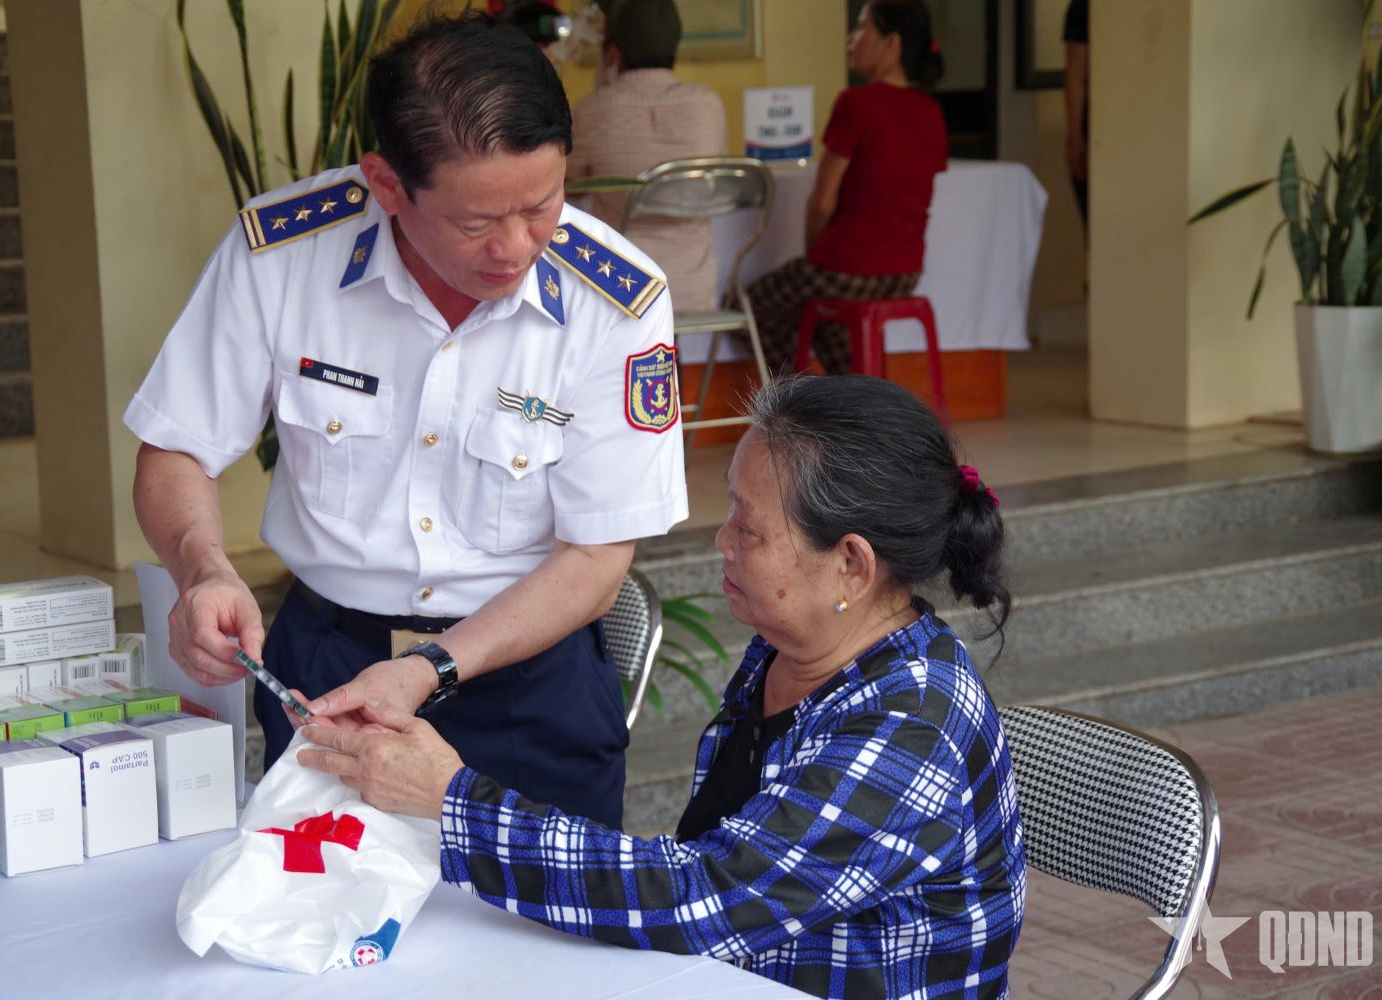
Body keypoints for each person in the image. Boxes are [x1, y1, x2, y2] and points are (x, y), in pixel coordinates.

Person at [124, 12, 688, 830]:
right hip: (329, 674)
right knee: (317, 920)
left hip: (525, 687)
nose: (517, 245)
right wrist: (201, 565)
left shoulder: (615, 299)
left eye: (542, 204)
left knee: (540, 953)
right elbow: (176, 445)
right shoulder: (284, 256)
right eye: (475, 222)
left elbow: (598, 554)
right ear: (386, 183)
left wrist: (432, 668)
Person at [297, 374, 1025, 999]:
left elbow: (705, 897)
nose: (723, 540)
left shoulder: (912, 723)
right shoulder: (800, 652)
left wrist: (452, 800)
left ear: (852, 567)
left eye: (750, 526)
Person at [746, 0, 947, 376]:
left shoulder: (857, 104)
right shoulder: (930, 112)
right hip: (905, 271)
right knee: (820, 311)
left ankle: (801, 404)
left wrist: (816, 256)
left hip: (848, 267)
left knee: (750, 306)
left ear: (892, 44)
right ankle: (859, 399)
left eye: (861, 29)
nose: (850, 40)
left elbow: (822, 203)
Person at [566, 0, 728, 312]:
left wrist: (602, 83)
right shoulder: (708, 106)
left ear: (613, 53)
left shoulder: (594, 109)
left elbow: (570, 183)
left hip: (618, 287)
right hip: (693, 289)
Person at [1062, 0, 1089, 225]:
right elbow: (1076, 75)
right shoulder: (1084, 6)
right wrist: (1075, 136)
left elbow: (1076, 74)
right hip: (1095, 127)